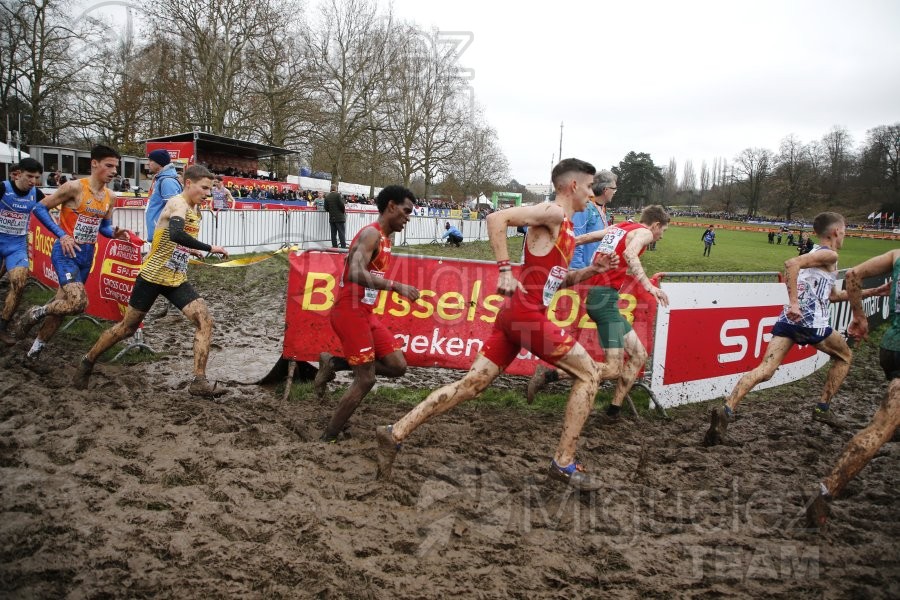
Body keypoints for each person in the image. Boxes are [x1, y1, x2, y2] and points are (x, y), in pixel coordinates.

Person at [374, 158, 620, 491]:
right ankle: (563, 463)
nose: (593, 194)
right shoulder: (552, 212)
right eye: (590, 186)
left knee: (472, 384)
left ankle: (395, 432)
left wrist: (595, 270)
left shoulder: (568, 228)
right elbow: (496, 218)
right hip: (526, 317)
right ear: (573, 185)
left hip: (516, 317)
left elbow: (557, 282)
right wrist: (504, 269)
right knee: (589, 372)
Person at [704, 212, 884, 446]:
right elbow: (790, 264)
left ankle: (726, 411)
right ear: (836, 231)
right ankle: (822, 408)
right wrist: (795, 303)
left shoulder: (817, 256)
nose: (845, 237)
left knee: (766, 369)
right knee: (845, 355)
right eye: (845, 232)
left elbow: (833, 295)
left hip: (789, 321)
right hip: (810, 321)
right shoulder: (829, 253)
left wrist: (873, 291)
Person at [73, 165, 230, 396]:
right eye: (204, 188)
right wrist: (209, 247)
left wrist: (191, 251)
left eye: (211, 188)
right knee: (127, 328)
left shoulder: (196, 208)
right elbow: (176, 233)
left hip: (176, 278)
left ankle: (199, 381)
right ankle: (87, 361)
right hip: (152, 277)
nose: (208, 193)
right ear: (188, 183)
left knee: (204, 320)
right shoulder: (178, 203)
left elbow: (173, 239)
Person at [526, 204, 671, 425]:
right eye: (664, 231)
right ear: (656, 224)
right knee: (613, 369)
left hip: (604, 301)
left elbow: (585, 238)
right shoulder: (644, 232)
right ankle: (549, 375)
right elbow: (630, 254)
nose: (661, 236)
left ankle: (613, 411)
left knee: (639, 354)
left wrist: (557, 245)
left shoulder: (620, 227)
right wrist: (650, 287)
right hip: (604, 302)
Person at [313, 185, 420, 442]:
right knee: (366, 379)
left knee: (397, 366)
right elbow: (353, 273)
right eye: (406, 211)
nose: (408, 217)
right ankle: (327, 437)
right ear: (391, 206)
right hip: (349, 312)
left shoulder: (385, 239)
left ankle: (335, 363)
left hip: (365, 313)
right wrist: (396, 286)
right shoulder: (371, 234)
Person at [806, 248, 899, 528]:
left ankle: (827, 489)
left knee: (885, 426)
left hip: (892, 346)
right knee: (884, 427)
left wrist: (859, 315)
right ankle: (829, 488)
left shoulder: (896, 253)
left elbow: (854, 274)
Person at [12, 145, 129, 365]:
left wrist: (113, 234)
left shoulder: (110, 196)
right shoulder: (74, 187)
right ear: (94, 164)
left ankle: (33, 354)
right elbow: (39, 208)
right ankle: (36, 313)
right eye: (109, 165)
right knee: (77, 303)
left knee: (61, 309)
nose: (114, 171)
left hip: (86, 257)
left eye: (116, 167)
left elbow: (102, 227)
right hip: (65, 253)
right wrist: (61, 235)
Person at [0, 159, 46, 344]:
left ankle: (3, 326)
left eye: (36, 177)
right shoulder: (3, 188)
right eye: (29, 176)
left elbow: (55, 207)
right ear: (18, 174)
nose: (33, 181)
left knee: (19, 283)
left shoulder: (37, 194)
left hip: (16, 246)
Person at [569, 170, 613, 269]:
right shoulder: (584, 208)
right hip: (583, 274)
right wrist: (577, 272)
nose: (614, 192)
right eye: (614, 189)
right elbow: (575, 241)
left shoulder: (602, 209)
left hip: (596, 270)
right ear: (605, 189)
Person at [145, 149, 182, 242]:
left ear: (159, 163)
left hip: (163, 235)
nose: (148, 163)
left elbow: (174, 209)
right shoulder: (162, 179)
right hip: (159, 234)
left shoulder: (167, 181)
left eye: (150, 160)